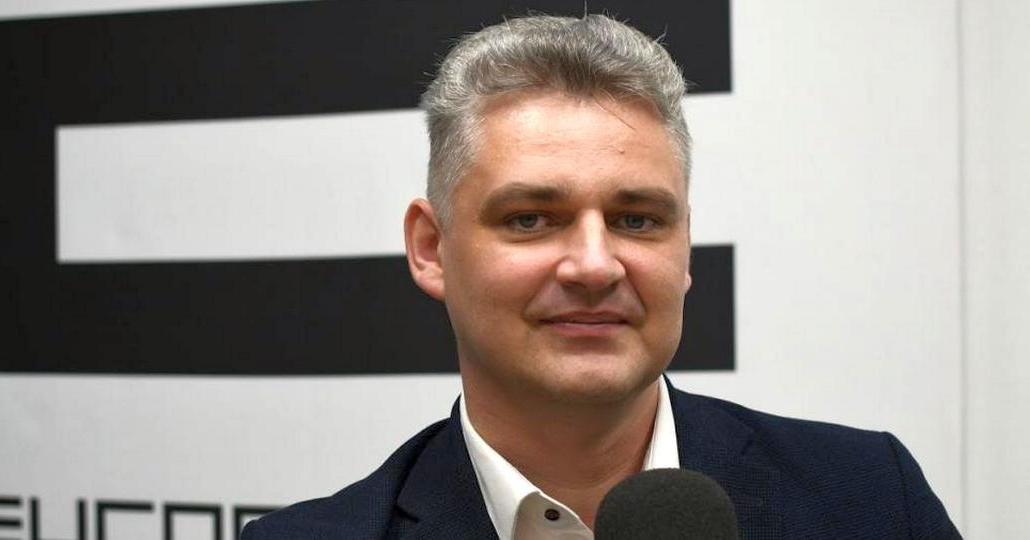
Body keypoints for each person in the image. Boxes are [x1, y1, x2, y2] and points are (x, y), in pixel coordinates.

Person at [243, 14, 959, 539]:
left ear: (685, 248)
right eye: (530, 218)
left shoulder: (871, 500)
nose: (594, 265)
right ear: (431, 249)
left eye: (637, 220)